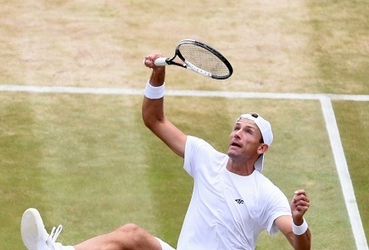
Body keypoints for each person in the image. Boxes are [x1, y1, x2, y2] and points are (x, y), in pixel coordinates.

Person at [20, 52, 311, 250]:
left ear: (262, 148)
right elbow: (154, 119)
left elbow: (300, 244)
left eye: (248, 131)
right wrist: (157, 75)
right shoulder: (206, 157)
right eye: (236, 127)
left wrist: (298, 221)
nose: (237, 133)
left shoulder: (266, 193)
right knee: (131, 235)